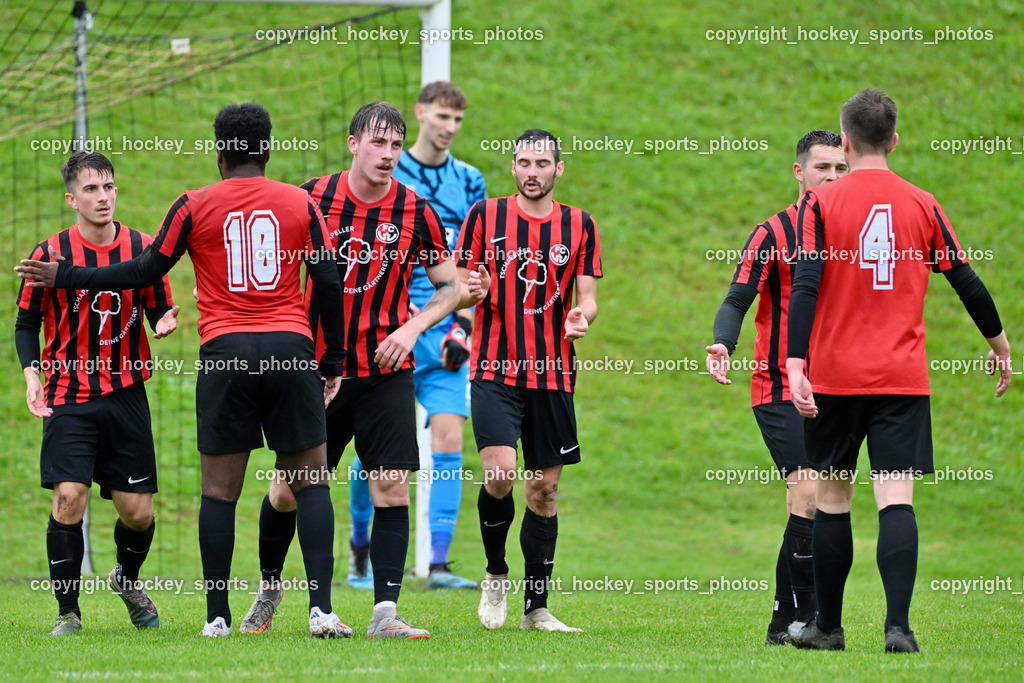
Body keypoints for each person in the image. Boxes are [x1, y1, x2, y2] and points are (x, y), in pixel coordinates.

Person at [18, 103, 351, 639]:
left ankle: (216, 617)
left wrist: (67, 276)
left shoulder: (193, 205)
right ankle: (322, 611)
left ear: (220, 153)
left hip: (226, 355)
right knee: (311, 484)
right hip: (291, 348)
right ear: (267, 149)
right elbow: (330, 284)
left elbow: (144, 269)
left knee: (220, 493)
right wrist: (331, 360)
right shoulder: (302, 203)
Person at [785, 89, 1012, 653]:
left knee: (834, 497)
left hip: (835, 376)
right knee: (896, 499)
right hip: (902, 379)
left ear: (844, 140)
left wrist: (794, 363)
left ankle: (828, 629)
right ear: (893, 139)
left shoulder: (821, 204)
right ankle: (899, 629)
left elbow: (807, 284)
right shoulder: (923, 203)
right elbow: (965, 279)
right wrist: (1000, 344)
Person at [245, 101, 466, 639]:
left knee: (392, 485)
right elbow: (272, 271)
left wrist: (412, 329)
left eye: (396, 145)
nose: (388, 155)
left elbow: (452, 287)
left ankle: (385, 614)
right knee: (288, 490)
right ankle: (270, 586)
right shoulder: (310, 198)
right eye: (378, 143)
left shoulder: (416, 210)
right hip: (317, 371)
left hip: (386, 368)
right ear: (353, 144)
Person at [15, 151, 178, 635]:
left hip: (126, 393)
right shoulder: (49, 255)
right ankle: (68, 613)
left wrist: (164, 321)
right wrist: (32, 375)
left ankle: (126, 580)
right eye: (91, 189)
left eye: (108, 187)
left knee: (138, 512)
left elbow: (158, 308)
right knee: (69, 497)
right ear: (72, 199)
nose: (103, 197)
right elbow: (26, 324)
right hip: (69, 393)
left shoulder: (144, 249)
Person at [456, 129, 601, 633]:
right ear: (513, 167)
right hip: (495, 369)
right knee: (499, 475)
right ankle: (496, 573)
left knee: (543, 491)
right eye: (523, 162)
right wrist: (471, 290)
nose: (532, 171)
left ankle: (536, 608)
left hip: (554, 373)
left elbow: (588, 298)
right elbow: (463, 286)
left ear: (558, 169)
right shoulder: (485, 216)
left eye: (542, 163)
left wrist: (581, 317)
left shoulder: (580, 225)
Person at [706, 130, 848, 645]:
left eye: (840, 169)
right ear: (798, 172)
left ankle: (783, 620)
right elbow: (737, 298)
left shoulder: (856, 232)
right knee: (807, 488)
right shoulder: (772, 233)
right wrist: (723, 342)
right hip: (779, 384)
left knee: (821, 500)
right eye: (822, 168)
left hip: (839, 384)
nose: (831, 178)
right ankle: (808, 620)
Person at [388, 81, 488, 590]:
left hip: (445, 327)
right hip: (392, 325)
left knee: (449, 434)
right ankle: (362, 558)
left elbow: (475, 264)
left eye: (458, 120)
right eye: (442, 117)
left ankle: (439, 565)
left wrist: (463, 328)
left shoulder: (470, 180)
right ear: (421, 113)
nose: (449, 128)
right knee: (380, 449)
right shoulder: (391, 172)